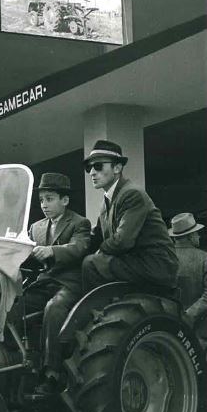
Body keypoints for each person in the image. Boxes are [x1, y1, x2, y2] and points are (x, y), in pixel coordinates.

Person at [12, 172, 91, 394]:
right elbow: (24, 254)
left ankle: (52, 372)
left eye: (49, 199)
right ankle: (19, 363)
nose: (44, 205)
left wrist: (51, 251)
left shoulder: (79, 223)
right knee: (14, 307)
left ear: (64, 200)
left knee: (54, 308)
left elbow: (79, 248)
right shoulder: (36, 228)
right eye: (41, 200)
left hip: (69, 284)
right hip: (44, 284)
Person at [81, 140, 178, 292]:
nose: (92, 172)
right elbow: (98, 236)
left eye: (98, 166)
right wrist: (74, 248)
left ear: (117, 168)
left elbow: (122, 241)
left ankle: (96, 312)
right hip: (134, 262)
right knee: (83, 260)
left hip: (155, 265)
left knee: (91, 263)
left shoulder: (132, 194)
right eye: (89, 167)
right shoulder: (108, 199)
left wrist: (98, 252)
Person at [169, 212, 207, 345]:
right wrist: (189, 315)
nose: (198, 236)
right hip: (201, 334)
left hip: (169, 330)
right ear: (190, 236)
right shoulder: (204, 258)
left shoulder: (164, 259)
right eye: (196, 233)